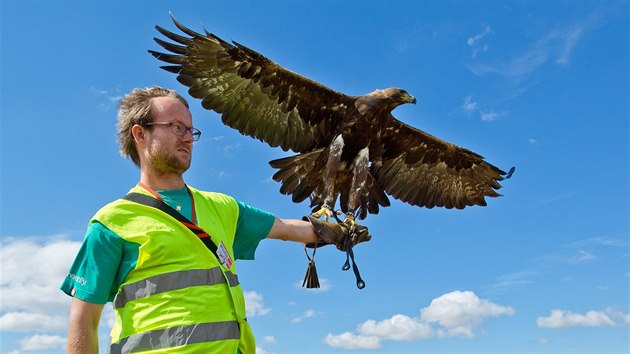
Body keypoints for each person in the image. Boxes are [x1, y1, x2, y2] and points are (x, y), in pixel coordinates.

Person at [60, 86, 360, 354]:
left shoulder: (222, 207)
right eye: (177, 127)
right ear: (140, 134)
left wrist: (336, 231)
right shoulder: (113, 221)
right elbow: (84, 321)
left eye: (192, 131)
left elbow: (287, 229)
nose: (189, 138)